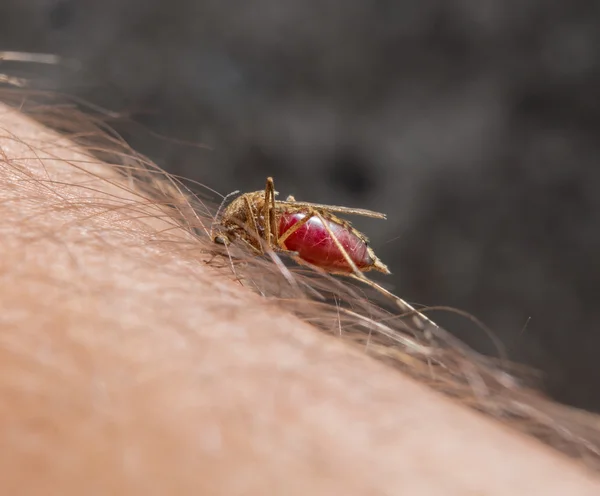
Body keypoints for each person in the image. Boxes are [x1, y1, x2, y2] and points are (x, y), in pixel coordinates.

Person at [0, 100, 598, 494]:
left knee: (278, 214)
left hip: (300, 229)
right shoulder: (251, 222)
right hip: (297, 228)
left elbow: (260, 218)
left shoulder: (252, 222)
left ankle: (348, 253)